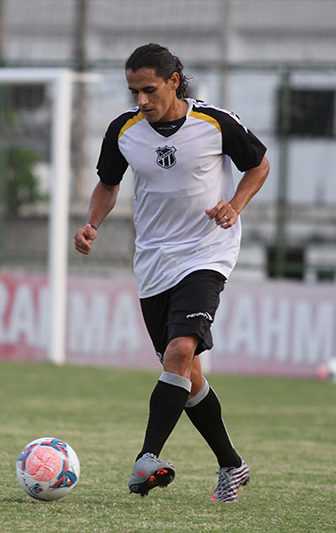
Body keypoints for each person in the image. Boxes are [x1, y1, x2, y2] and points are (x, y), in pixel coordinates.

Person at [74, 43, 270, 502]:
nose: (140, 101)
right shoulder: (123, 131)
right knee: (185, 372)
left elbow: (258, 164)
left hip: (207, 254)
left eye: (148, 90)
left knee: (180, 350)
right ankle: (232, 464)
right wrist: (91, 224)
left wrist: (234, 205)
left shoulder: (215, 122)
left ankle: (146, 459)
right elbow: (108, 182)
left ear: (173, 82)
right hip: (153, 262)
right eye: (133, 91)